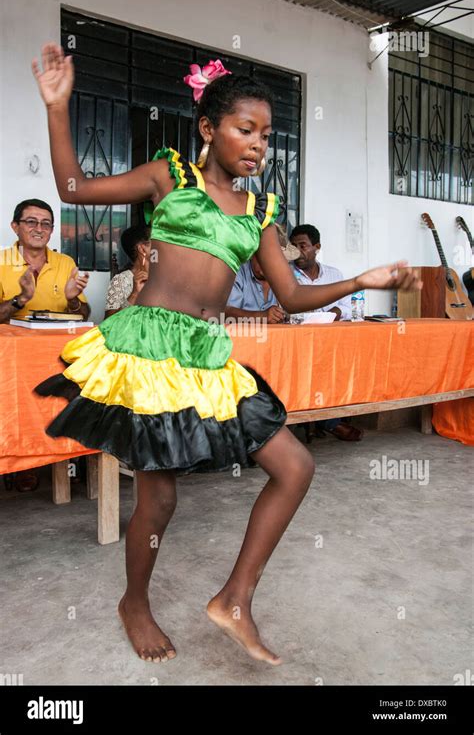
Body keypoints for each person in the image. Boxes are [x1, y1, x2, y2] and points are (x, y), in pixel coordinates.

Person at [31, 43, 422, 666]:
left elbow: (290, 294)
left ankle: (236, 598)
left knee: (295, 466)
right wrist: (57, 107)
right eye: (246, 129)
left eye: (267, 135)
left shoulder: (260, 213)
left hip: (208, 353)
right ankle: (134, 600)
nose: (259, 144)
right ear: (209, 129)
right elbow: (73, 186)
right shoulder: (171, 179)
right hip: (148, 347)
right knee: (159, 498)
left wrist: (359, 281)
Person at [289, 223, 362, 440]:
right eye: (293, 246)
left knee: (346, 364)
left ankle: (331, 417)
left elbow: (348, 307)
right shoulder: (285, 275)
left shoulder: (333, 274)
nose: (297, 252)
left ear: (317, 247)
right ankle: (329, 422)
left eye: (303, 246)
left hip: (329, 343)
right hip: (298, 343)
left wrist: (333, 312)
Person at [0, 198, 90, 323]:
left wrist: (73, 300)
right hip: (12, 341)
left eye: (46, 223)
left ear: (52, 230)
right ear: (15, 227)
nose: (39, 229)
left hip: (56, 340)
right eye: (31, 222)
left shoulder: (65, 262)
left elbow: (84, 317)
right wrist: (22, 298)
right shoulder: (1, 261)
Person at [225, 249, 298, 323]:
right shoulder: (237, 272)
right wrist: (261, 316)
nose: (272, 264)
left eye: (277, 261)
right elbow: (226, 312)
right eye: (267, 258)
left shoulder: (282, 276)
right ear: (253, 255)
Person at [104, 226, 151, 318]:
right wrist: (134, 294)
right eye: (156, 241)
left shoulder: (164, 276)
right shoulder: (121, 281)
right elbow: (109, 322)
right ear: (142, 249)